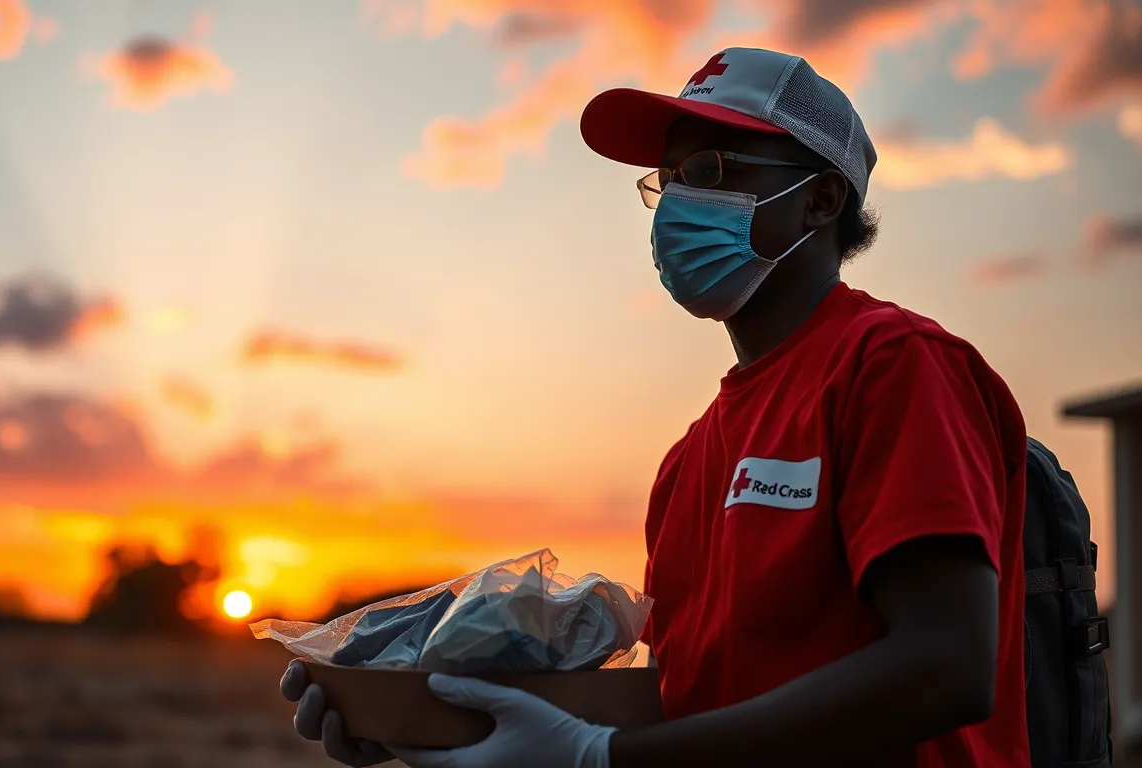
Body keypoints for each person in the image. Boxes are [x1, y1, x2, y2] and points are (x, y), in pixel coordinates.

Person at [281, 46, 1031, 768]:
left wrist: (599, 757)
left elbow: (946, 666)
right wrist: (425, 716)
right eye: (667, 178)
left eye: (707, 169)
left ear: (820, 199)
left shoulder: (892, 364)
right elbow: (697, 709)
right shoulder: (687, 461)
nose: (675, 202)